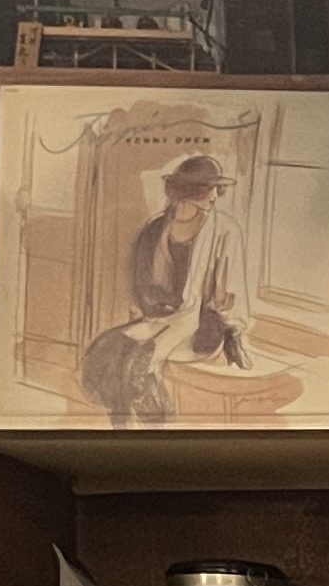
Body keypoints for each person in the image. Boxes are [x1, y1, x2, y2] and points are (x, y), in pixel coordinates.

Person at [79, 149, 249, 426]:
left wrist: (233, 329)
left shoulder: (224, 230)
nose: (214, 195)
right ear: (189, 191)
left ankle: (153, 415)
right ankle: (122, 413)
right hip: (160, 315)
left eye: (217, 188)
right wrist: (148, 308)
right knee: (110, 346)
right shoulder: (156, 228)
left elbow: (227, 292)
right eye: (208, 188)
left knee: (143, 357)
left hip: (203, 321)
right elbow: (142, 280)